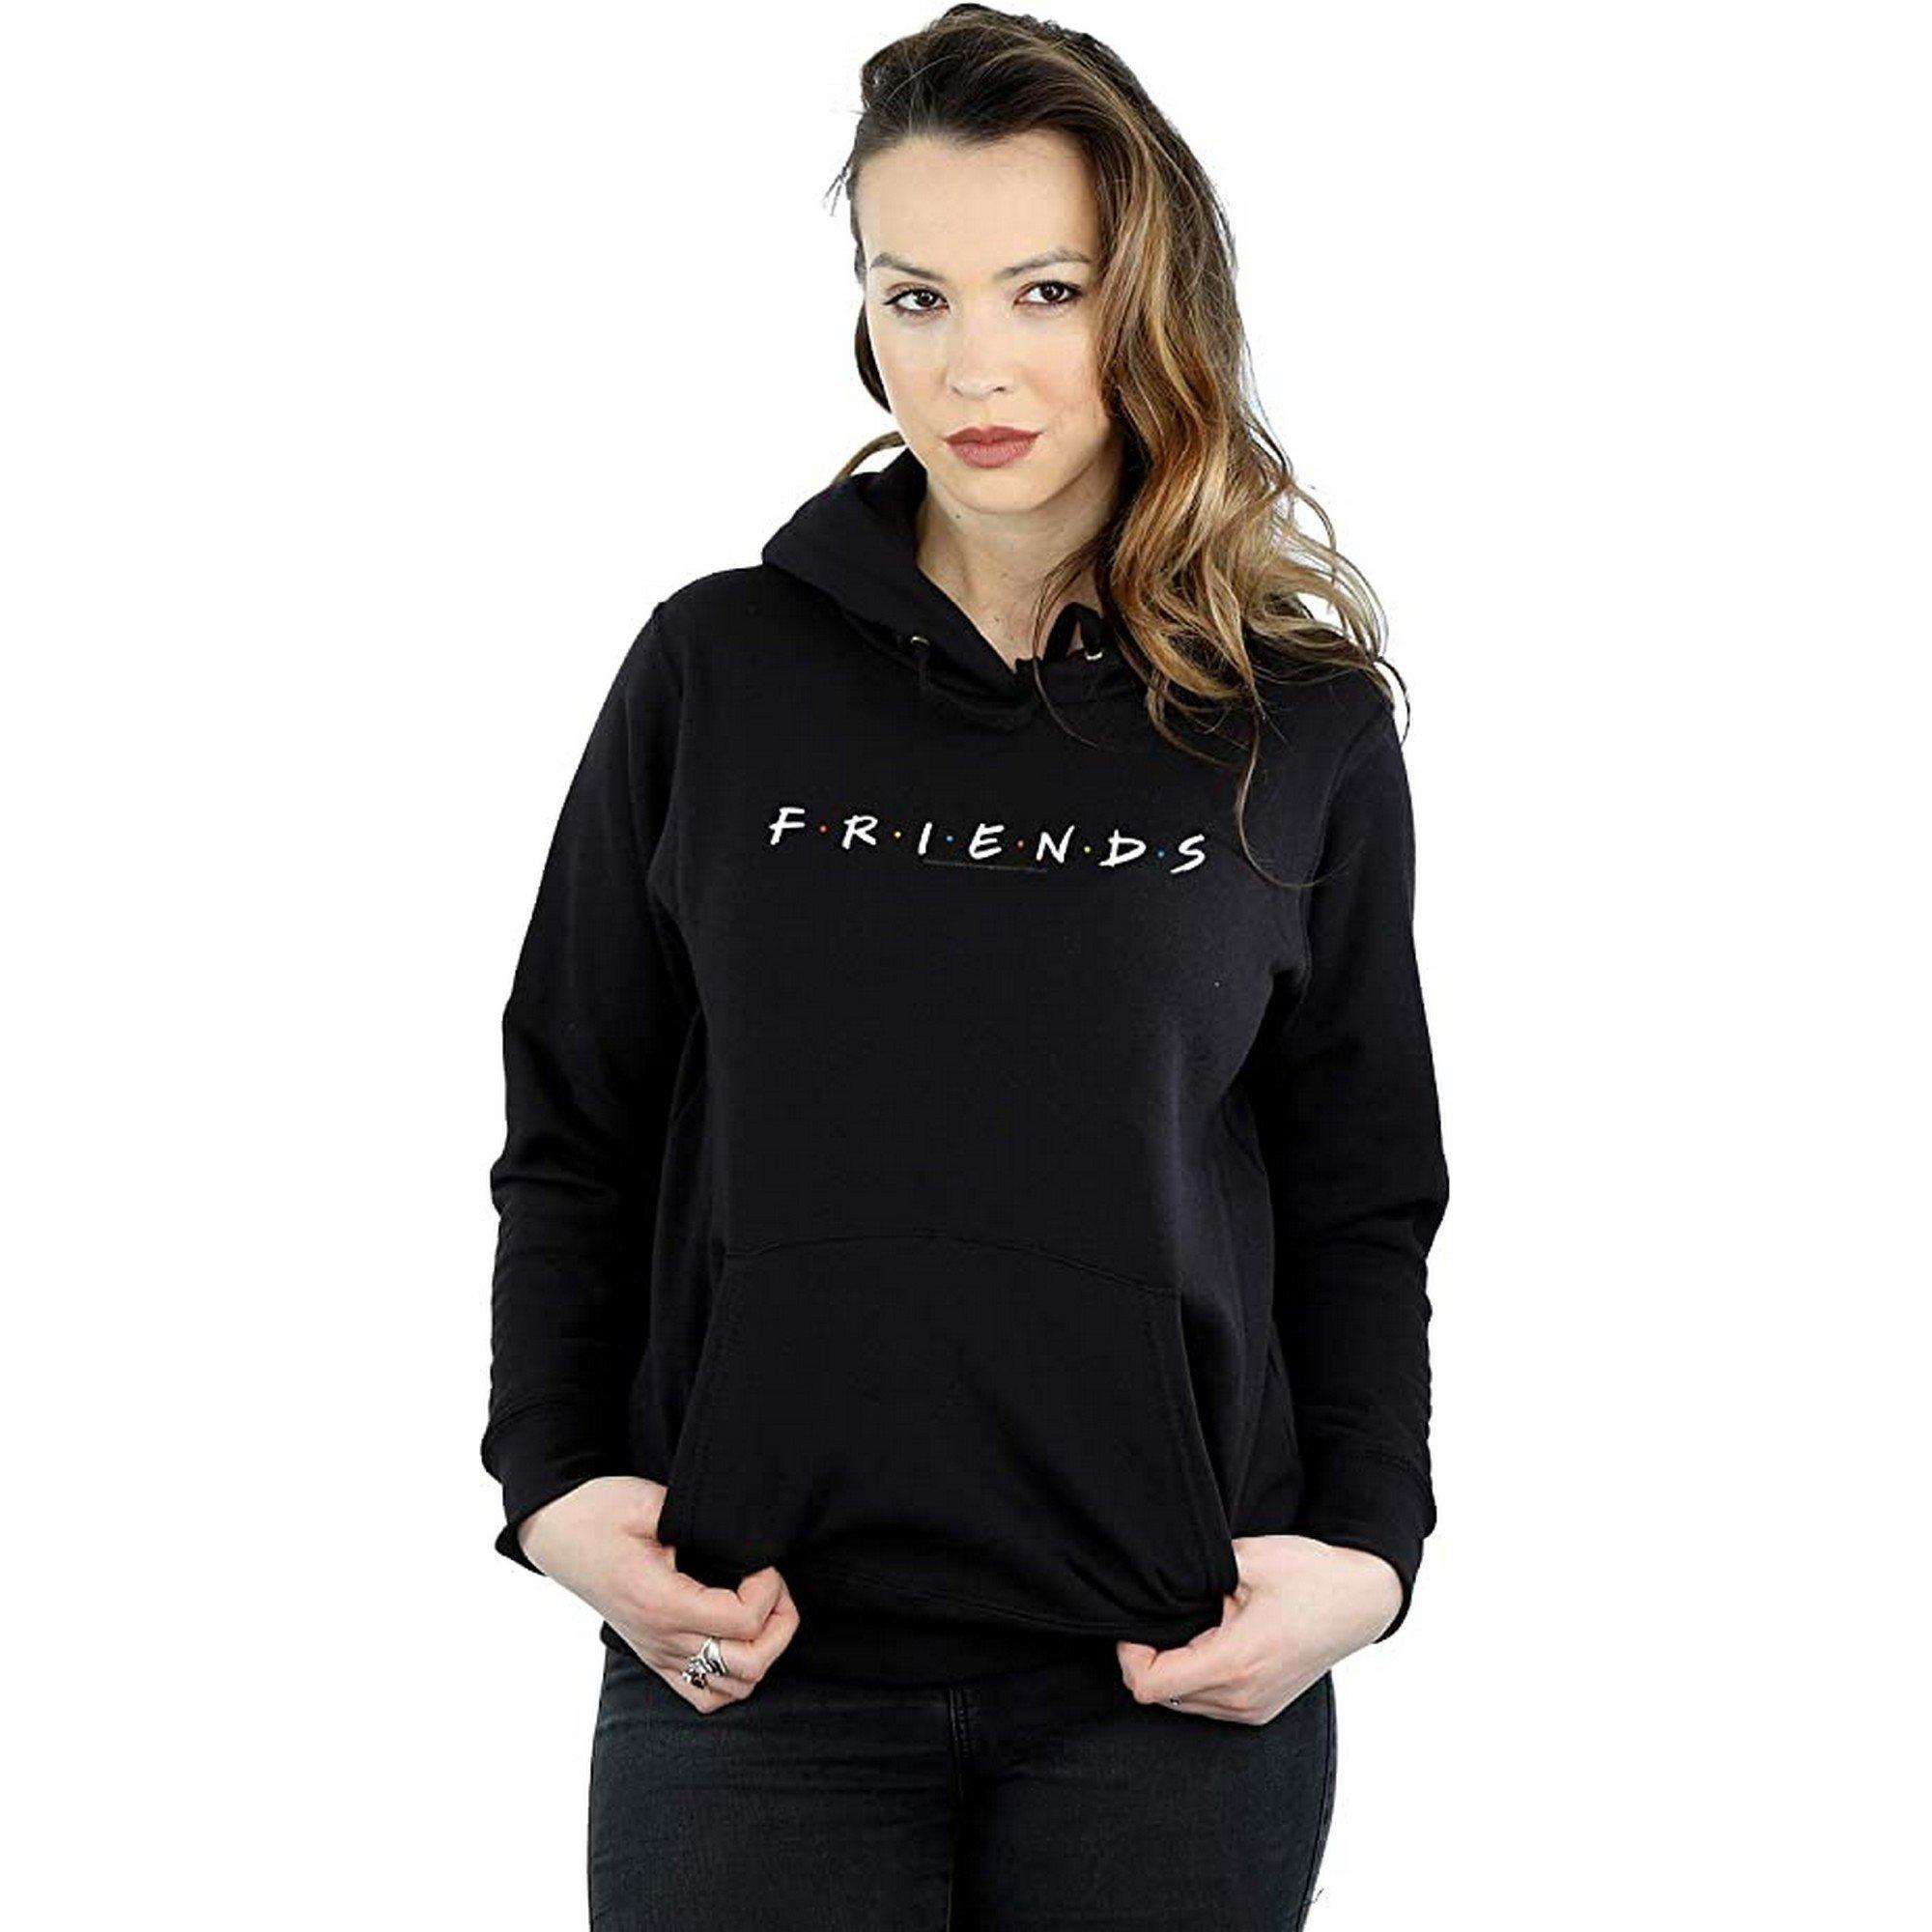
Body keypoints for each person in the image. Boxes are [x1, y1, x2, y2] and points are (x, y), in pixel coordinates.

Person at [480, 8, 1450, 1925]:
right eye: (913, 295)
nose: (972, 366)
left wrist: (1365, 1549)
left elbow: (1359, 1188)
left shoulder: (1295, 725)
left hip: (1170, 1679)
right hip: (744, 1668)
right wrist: (556, 1486)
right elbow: (578, 1119)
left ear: (1151, 303)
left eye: (1045, 291)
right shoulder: (717, 671)